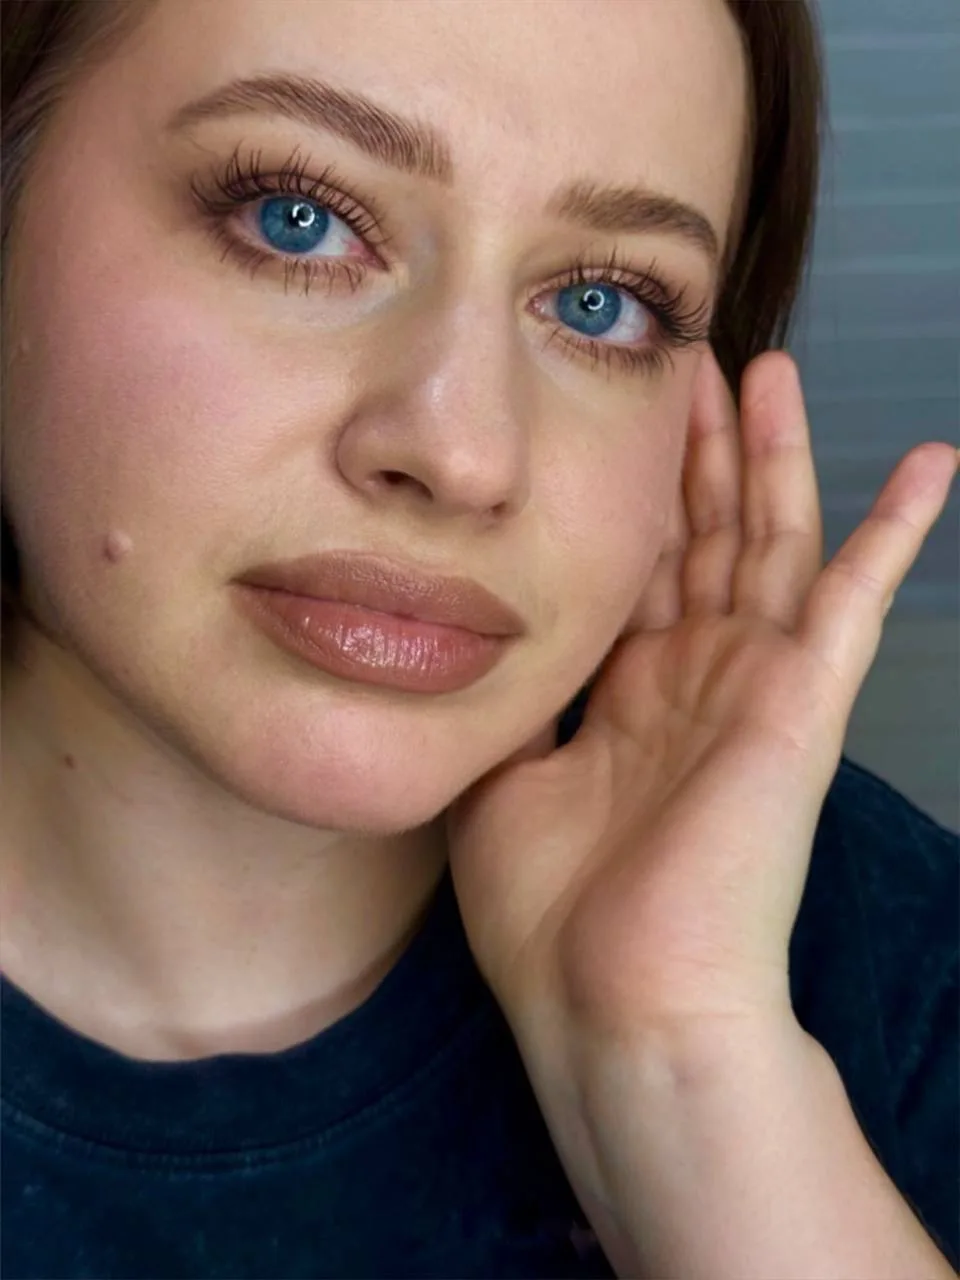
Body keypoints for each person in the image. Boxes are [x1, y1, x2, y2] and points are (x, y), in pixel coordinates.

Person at [1, 0, 957, 1276]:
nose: (465, 454)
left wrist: (680, 1067)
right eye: (298, 217)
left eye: (601, 302)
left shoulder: (906, 971)